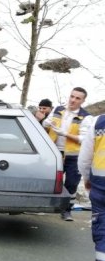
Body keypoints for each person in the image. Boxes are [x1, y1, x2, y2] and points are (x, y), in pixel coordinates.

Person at [43, 87, 91, 221]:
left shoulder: (86, 117)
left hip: (73, 155)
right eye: (72, 96)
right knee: (50, 181)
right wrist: (47, 123)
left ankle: (66, 210)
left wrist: (64, 134)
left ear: (83, 101)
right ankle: (47, 206)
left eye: (77, 98)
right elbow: (47, 125)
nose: (73, 100)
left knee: (71, 184)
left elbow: (84, 139)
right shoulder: (58, 109)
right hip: (54, 152)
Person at [77, 114, 105, 261]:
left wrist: (87, 179)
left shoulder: (99, 122)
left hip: (101, 188)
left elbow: (85, 158)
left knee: (103, 237)